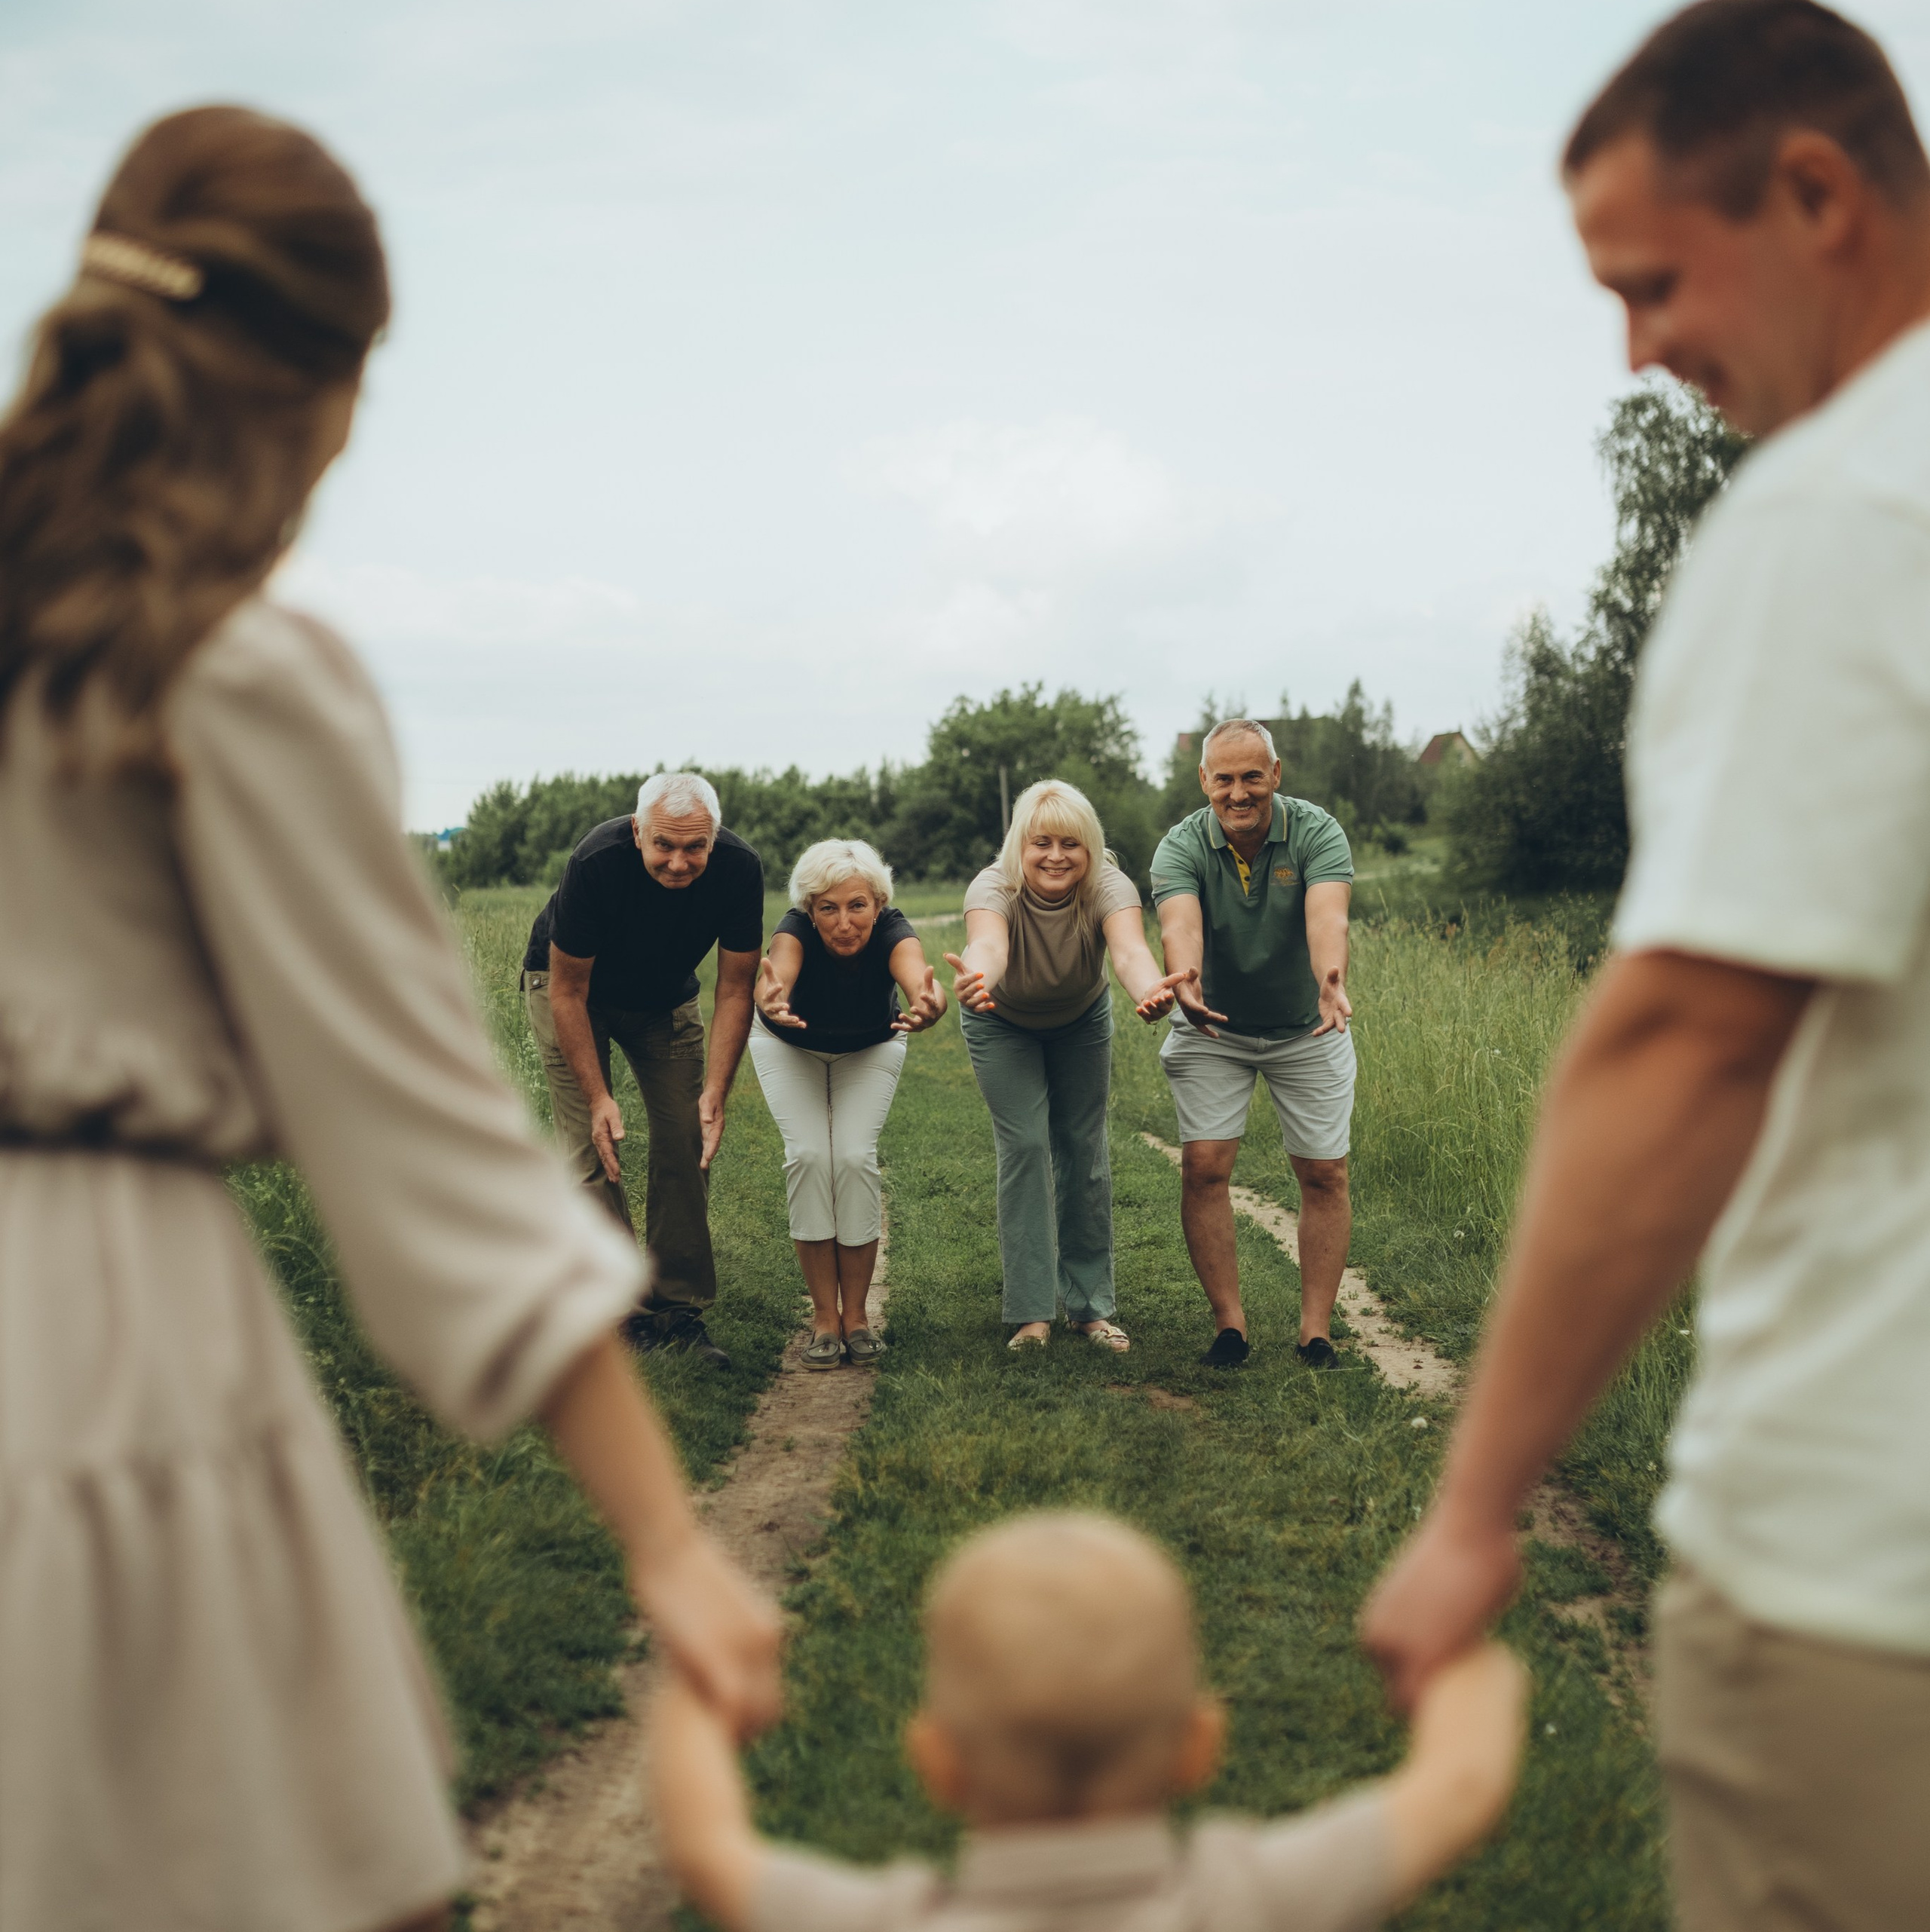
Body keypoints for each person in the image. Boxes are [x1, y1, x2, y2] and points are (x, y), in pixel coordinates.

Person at [0, 108, 780, 1932]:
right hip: (103, 1359)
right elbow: (427, 1148)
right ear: (318, 381)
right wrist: (670, 1541)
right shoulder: (226, 672)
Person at [1362, 7, 1930, 1927]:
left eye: (1651, 283)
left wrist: (1466, 1511)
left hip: (1869, 1556)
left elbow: (1685, 1042)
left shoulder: (1847, 512)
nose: (1636, 352)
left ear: (1812, 191)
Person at [653, 1511, 1527, 1932]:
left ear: (936, 1762)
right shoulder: (1247, 1904)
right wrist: (1458, 1650)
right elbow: (1459, 1783)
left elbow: (710, 1850)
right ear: (1200, 1745)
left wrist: (699, 1685)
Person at [522, 770, 761, 1367]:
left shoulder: (739, 868)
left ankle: (677, 1308)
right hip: (571, 992)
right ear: (637, 832)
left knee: (689, 1136)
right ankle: (623, 1311)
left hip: (665, 999)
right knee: (590, 1144)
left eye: (694, 846)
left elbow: (735, 989)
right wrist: (601, 1097)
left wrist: (717, 1090)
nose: (679, 862)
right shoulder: (597, 861)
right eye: (664, 845)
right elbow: (568, 992)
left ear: (714, 837)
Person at [945, 780, 1190, 1353]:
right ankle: (1031, 1314)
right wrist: (976, 979)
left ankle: (1090, 1308)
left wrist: (1151, 988)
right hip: (1000, 1018)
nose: (1056, 856)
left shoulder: (1109, 884)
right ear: (1020, 847)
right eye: (1042, 843)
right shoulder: (993, 885)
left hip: (1080, 1021)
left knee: (1083, 1149)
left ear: (1090, 847)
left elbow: (1128, 950)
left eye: (1071, 844)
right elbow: (989, 946)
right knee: (1027, 1145)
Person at [1148, 720, 1356, 1370]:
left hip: (1308, 1022)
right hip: (1214, 1025)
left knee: (1324, 1171)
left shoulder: (1318, 832)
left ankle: (1315, 1331)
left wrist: (1332, 979)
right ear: (1204, 780)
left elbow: (1328, 915)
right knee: (1204, 1165)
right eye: (1224, 779)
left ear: (1277, 774)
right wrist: (1184, 978)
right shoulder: (1180, 846)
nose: (1239, 793)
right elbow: (1180, 923)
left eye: (1252, 777)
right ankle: (1230, 1326)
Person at [748, 837, 945, 1370]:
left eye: (857, 905)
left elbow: (918, 977)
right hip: (789, 1043)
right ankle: (823, 1317)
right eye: (827, 908)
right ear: (810, 910)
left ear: (878, 904)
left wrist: (932, 1003)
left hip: (869, 1044)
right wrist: (772, 997)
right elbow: (780, 974)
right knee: (811, 1156)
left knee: (854, 1158)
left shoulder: (892, 929)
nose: (843, 922)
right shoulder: (793, 931)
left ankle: (856, 1316)